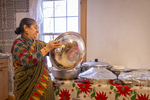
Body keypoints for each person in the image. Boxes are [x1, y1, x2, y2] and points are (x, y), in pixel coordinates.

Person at [11, 18, 61, 100]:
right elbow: (26, 61)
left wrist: (59, 49)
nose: (38, 31)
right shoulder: (18, 43)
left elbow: (52, 52)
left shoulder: (39, 44)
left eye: (38, 28)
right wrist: (47, 49)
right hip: (25, 87)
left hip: (43, 84)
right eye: (35, 27)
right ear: (26, 28)